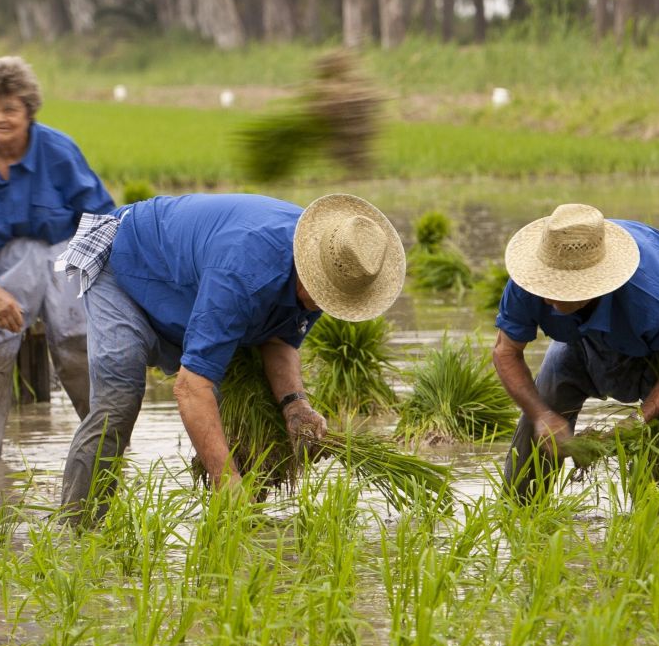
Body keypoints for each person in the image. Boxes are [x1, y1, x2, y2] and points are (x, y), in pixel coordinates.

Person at [57, 192, 406, 520]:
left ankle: (237, 524)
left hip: (191, 288)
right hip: (128, 266)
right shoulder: (244, 272)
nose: (323, 305)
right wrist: (228, 482)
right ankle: (80, 527)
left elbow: (279, 338)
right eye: (323, 294)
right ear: (308, 267)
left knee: (240, 404)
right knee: (118, 401)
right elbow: (191, 388)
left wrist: (295, 404)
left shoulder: (336, 263)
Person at [491, 203, 659, 504]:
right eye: (549, 283)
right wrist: (542, 416)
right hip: (582, 332)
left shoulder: (652, 297)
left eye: (561, 290)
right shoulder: (530, 281)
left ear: (591, 287)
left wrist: (639, 419)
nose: (546, 297)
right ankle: (518, 509)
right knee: (548, 396)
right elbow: (506, 351)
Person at [0, 56, 115, 457]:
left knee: (80, 351)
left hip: (62, 267)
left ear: (29, 111)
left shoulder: (59, 152)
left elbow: (101, 220)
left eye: (10, 109)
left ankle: (104, 453)